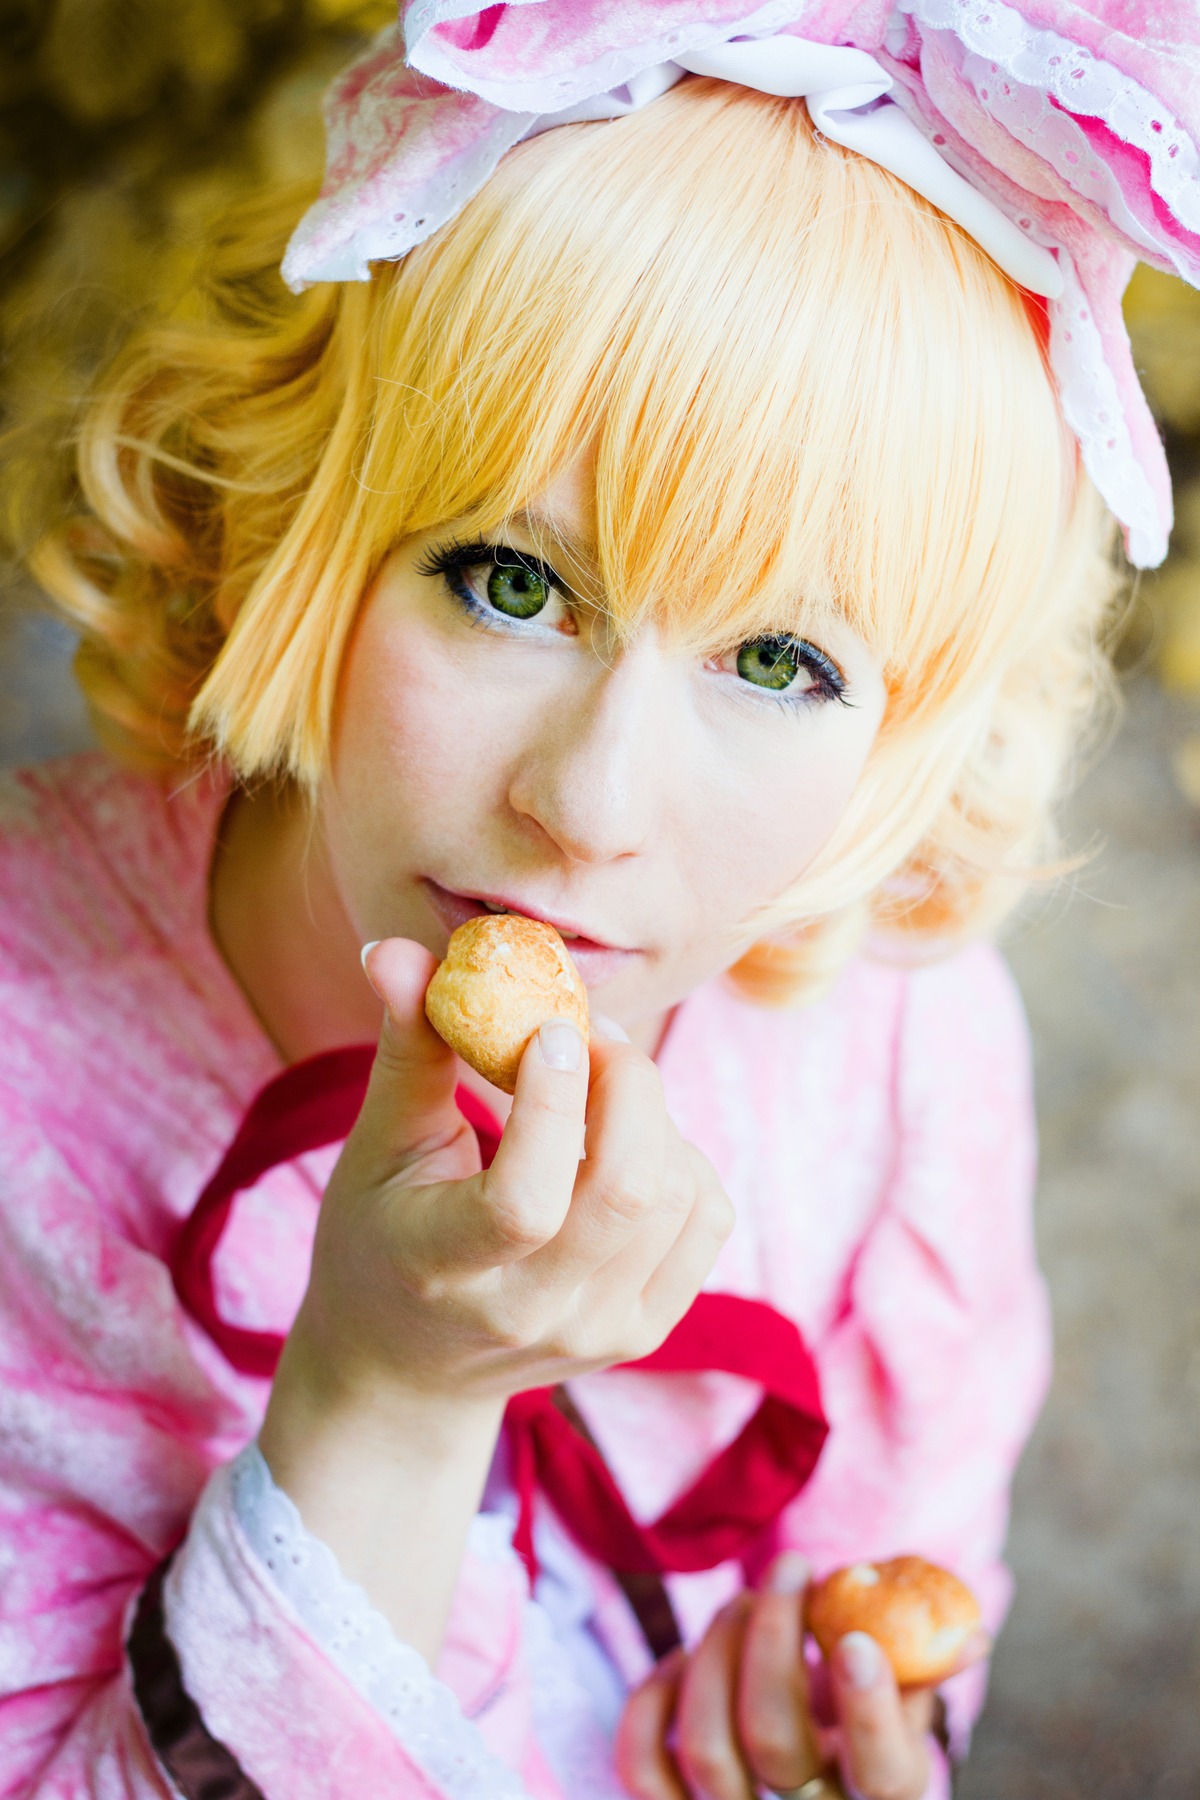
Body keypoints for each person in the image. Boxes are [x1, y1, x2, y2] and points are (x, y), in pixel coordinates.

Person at [1, 4, 1196, 1797]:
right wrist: (384, 1409)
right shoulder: (32, 1083)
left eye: (781, 660)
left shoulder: (892, 1046)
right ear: (297, 526)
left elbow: (908, 1536)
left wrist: (830, 1712)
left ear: (907, 747)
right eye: (506, 579)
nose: (589, 805)